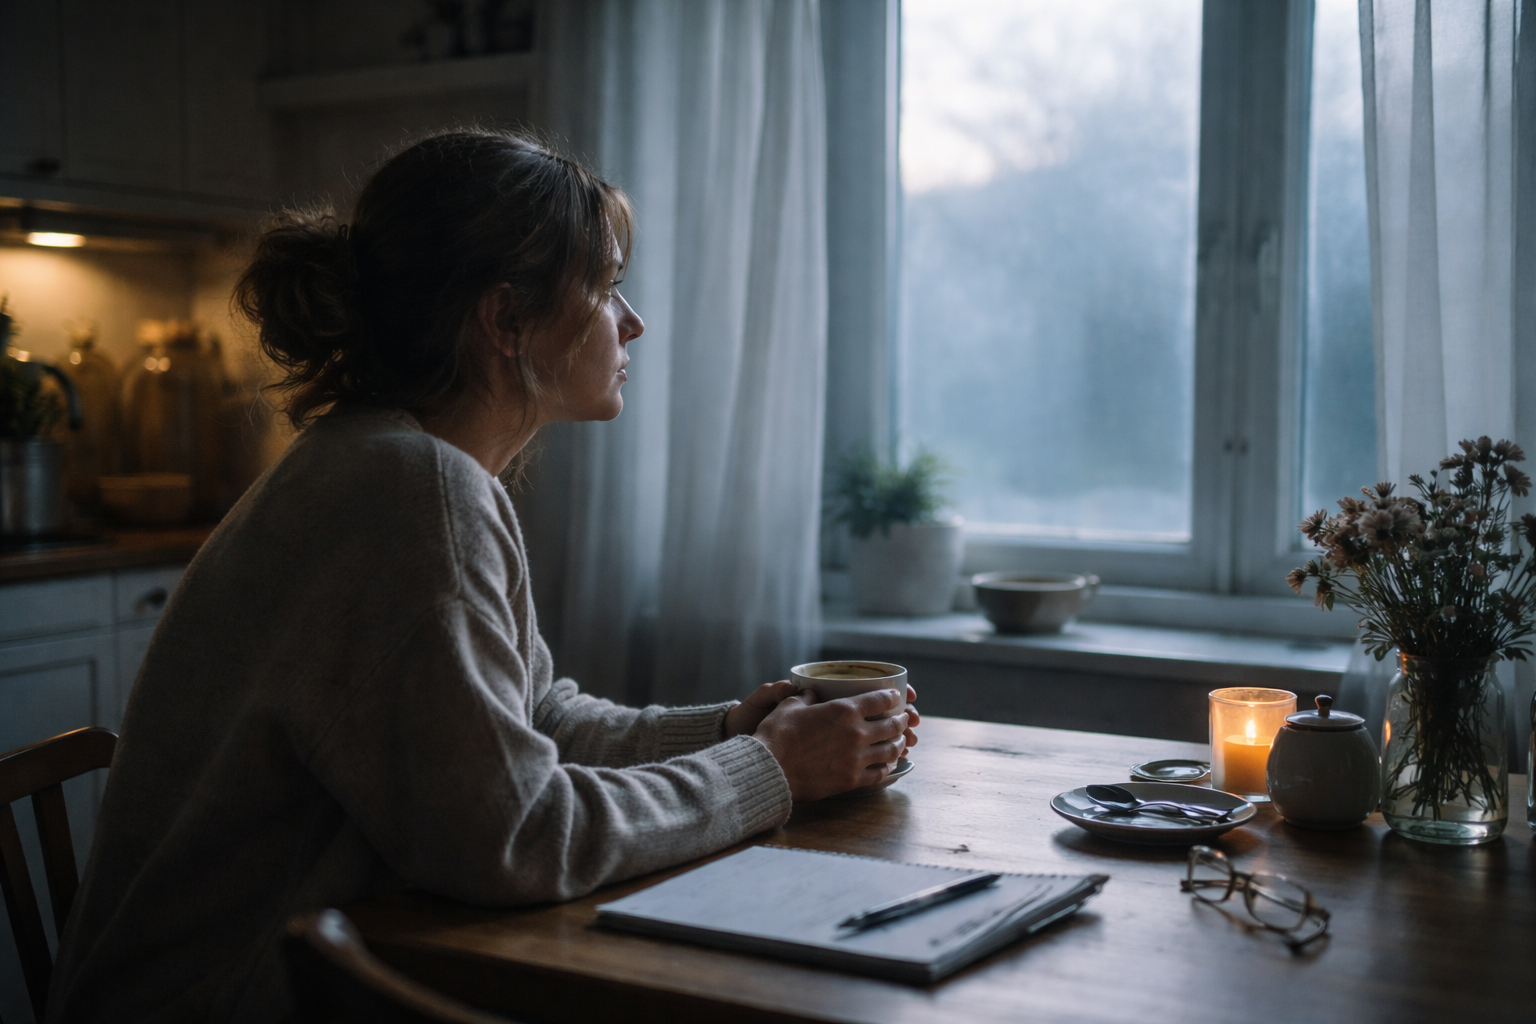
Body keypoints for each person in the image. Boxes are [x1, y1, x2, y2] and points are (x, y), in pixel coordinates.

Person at [44, 129, 918, 1022]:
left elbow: (532, 720)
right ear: (504, 321)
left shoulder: (397, 464)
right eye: (608, 286)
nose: (634, 321)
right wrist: (765, 769)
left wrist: (729, 727)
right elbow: (518, 838)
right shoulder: (410, 491)